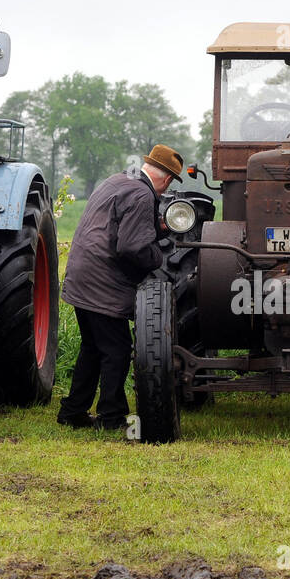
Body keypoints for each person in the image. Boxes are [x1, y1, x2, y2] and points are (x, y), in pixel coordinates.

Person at [57, 145, 184, 429]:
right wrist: (159, 256)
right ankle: (111, 417)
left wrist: (157, 228)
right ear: (167, 180)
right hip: (103, 284)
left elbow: (116, 226)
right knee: (117, 349)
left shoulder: (118, 180)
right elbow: (132, 247)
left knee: (93, 347)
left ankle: (73, 412)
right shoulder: (142, 194)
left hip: (81, 276)